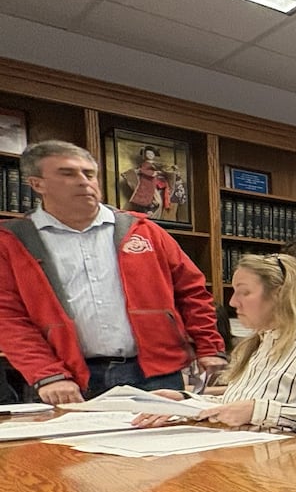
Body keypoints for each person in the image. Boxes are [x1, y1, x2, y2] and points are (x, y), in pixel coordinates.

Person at [0, 141, 225, 403]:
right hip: (67, 380)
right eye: (67, 173)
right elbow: (7, 318)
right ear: (37, 184)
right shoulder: (11, 241)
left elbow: (192, 292)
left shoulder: (143, 230)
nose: (83, 181)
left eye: (89, 173)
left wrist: (210, 347)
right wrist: (47, 374)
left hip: (157, 372)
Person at [131, 252, 296, 438]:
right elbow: (236, 405)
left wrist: (258, 410)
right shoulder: (257, 345)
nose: (232, 302)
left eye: (244, 292)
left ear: (280, 295)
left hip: (294, 470)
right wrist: (183, 401)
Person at [120, 146, 170, 216]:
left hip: (154, 183)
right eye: (148, 154)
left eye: (151, 154)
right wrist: (153, 173)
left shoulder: (155, 164)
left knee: (158, 201)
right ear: (145, 155)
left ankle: (153, 214)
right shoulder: (146, 163)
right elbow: (142, 170)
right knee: (154, 200)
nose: (150, 155)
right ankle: (149, 212)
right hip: (147, 183)